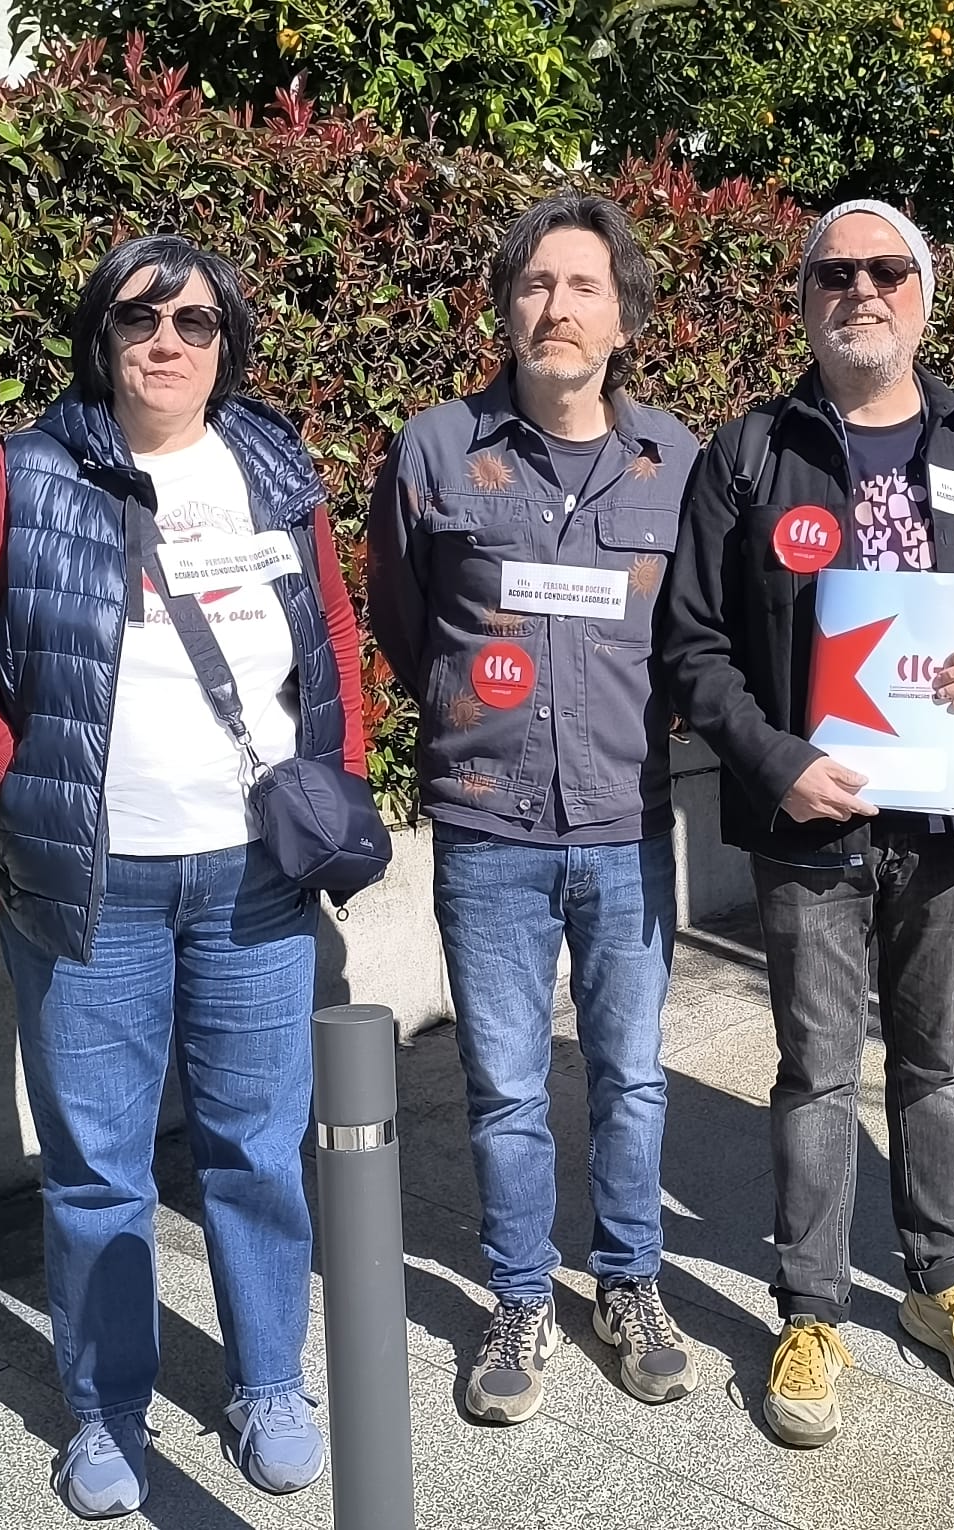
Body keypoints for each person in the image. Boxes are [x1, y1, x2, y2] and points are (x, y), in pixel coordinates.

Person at [0, 234, 365, 1517]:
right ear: (100, 336)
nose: (167, 341)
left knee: (257, 1150)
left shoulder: (274, 467)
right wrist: (20, 781)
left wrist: (334, 771)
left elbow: (333, 630)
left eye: (196, 322)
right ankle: (105, 1410)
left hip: (255, 875)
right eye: (139, 317)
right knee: (98, 1167)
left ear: (229, 345)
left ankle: (268, 1384)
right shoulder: (24, 471)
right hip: (91, 884)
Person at [662, 199, 954, 1448]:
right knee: (817, 1071)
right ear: (803, 301)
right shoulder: (748, 452)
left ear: (924, 296)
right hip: (811, 824)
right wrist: (775, 762)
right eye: (834, 273)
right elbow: (694, 645)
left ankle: (941, 1282)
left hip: (948, 823)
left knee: (939, 1065)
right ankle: (811, 1307)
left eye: (888, 270)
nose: (862, 291)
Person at [367, 195, 701, 1425]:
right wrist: (481, 724)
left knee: (631, 1077)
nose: (556, 307)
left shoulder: (677, 462)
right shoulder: (435, 451)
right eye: (535, 285)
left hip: (624, 821)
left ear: (625, 319)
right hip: (487, 825)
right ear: (508, 309)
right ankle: (519, 1298)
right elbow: (407, 624)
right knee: (505, 1085)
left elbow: (698, 631)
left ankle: (628, 1284)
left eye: (583, 286)